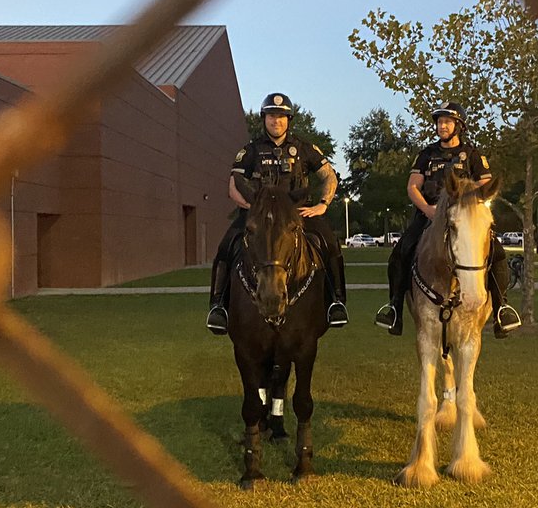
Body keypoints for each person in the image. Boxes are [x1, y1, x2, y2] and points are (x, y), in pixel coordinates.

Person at [374, 102, 521, 338]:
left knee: (498, 252)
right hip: (429, 216)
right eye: (439, 122)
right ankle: (395, 308)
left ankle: (501, 309)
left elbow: (485, 187)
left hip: (463, 220)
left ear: (459, 126)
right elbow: (413, 187)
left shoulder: (472, 155)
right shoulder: (426, 154)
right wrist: (428, 209)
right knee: (401, 251)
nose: (442, 126)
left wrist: (473, 207)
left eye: (447, 122)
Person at [206, 93, 347, 334]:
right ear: (264, 119)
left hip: (297, 215)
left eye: (281, 116)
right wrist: (255, 210)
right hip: (258, 216)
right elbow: (233, 185)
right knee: (225, 247)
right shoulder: (251, 150)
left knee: (330, 243)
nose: (276, 121)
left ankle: (336, 302)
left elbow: (328, 176)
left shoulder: (304, 148)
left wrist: (323, 204)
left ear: (288, 120)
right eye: (272, 116)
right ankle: (218, 306)